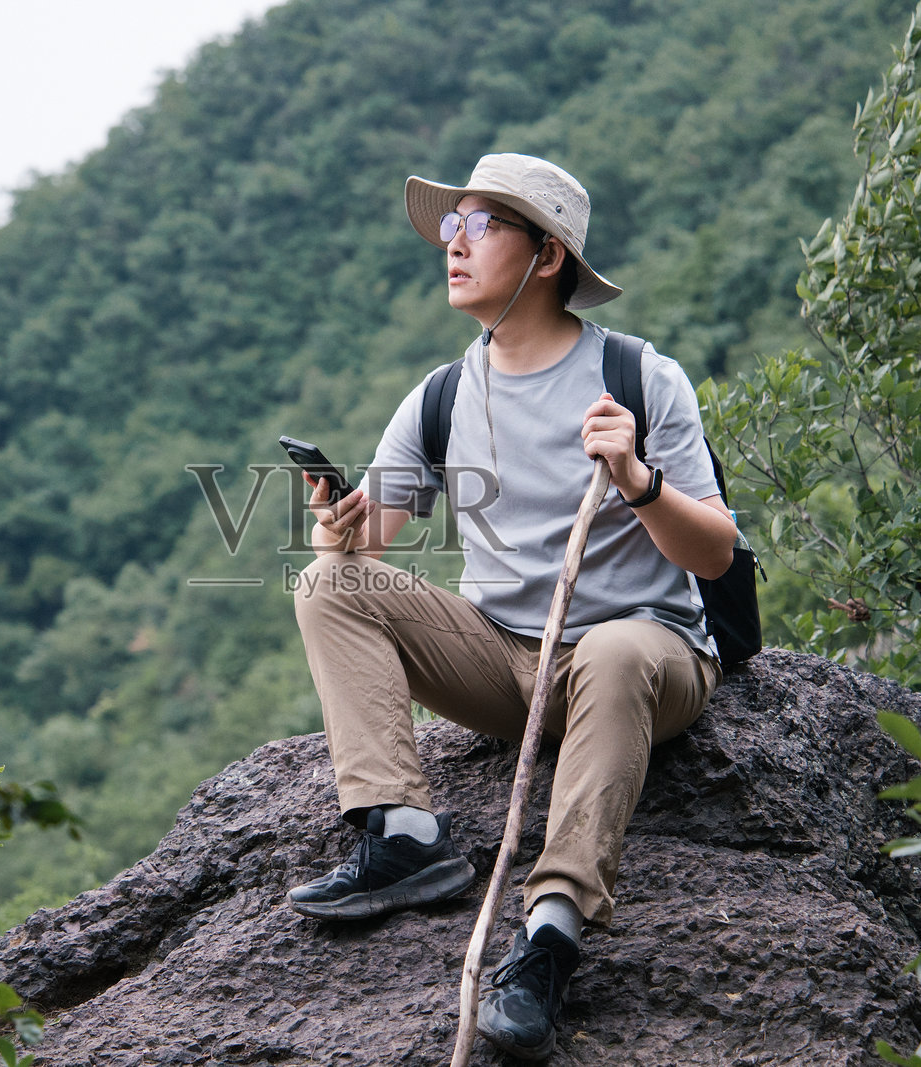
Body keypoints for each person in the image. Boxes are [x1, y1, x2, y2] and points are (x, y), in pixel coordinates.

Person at [285, 153, 735, 1060]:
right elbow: (365, 547)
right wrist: (336, 525)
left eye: (480, 225)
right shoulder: (446, 394)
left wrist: (638, 480)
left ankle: (550, 934)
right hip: (504, 657)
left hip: (644, 657)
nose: (452, 243)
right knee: (325, 583)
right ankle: (404, 832)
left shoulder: (638, 378)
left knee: (611, 652)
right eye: (453, 225)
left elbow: (715, 551)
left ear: (546, 257)